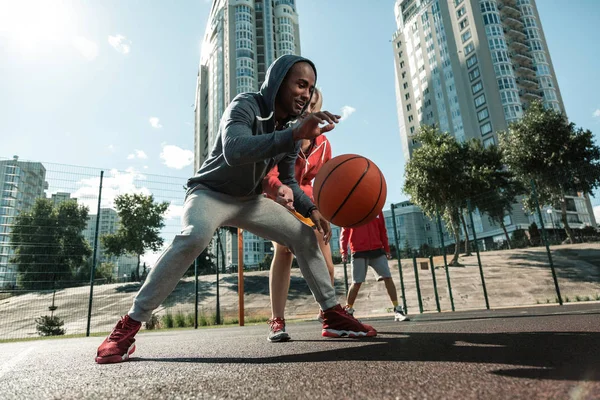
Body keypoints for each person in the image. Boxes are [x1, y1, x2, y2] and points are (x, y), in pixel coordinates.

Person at [95, 55, 377, 364]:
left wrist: (312, 209)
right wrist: (294, 134)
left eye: (309, 89)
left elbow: (288, 180)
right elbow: (234, 149)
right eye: (300, 84)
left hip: (249, 200)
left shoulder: (293, 131)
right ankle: (129, 325)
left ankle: (333, 315)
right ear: (278, 81)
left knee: (304, 235)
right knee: (195, 236)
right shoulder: (246, 105)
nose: (305, 94)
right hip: (209, 193)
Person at [262, 87, 336, 342]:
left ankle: (329, 313)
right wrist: (278, 190)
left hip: (309, 202)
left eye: (314, 105)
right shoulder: (281, 134)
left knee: (327, 267)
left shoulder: (324, 144)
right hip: (280, 196)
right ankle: (277, 320)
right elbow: (269, 173)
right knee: (283, 250)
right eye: (305, 104)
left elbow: (325, 182)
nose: (308, 109)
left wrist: (324, 208)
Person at [340, 211, 409, 322]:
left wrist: (386, 249)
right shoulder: (350, 208)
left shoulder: (376, 208)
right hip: (359, 251)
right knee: (356, 282)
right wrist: (344, 251)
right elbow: (345, 232)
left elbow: (382, 229)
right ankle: (349, 312)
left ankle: (397, 310)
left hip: (377, 249)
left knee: (388, 277)